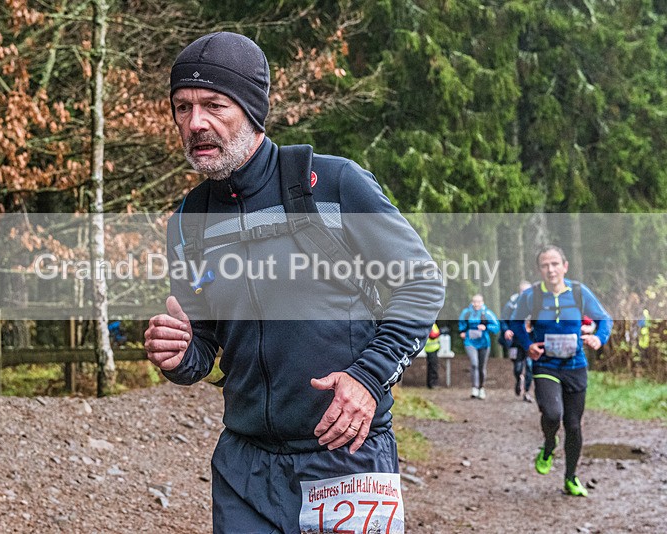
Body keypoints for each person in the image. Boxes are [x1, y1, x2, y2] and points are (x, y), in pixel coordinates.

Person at [144, 32, 445, 533]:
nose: (196, 123)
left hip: (345, 456)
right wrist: (179, 353)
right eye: (182, 107)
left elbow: (421, 284)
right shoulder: (187, 219)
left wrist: (369, 379)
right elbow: (206, 341)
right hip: (245, 469)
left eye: (215, 105)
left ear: (254, 110)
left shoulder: (336, 184)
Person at [511, 245, 611, 497]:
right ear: (539, 269)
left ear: (565, 266)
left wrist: (599, 339)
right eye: (545, 265)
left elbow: (604, 319)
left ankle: (570, 477)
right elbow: (514, 322)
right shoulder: (531, 296)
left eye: (555, 264)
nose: (550, 269)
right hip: (546, 365)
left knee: (574, 426)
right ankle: (548, 444)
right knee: (553, 414)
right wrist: (528, 344)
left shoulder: (578, 292)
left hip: (576, 366)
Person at [458, 294, 500, 399]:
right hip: (470, 342)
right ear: (472, 302)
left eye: (478, 302)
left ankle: (481, 388)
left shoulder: (487, 313)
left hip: (484, 343)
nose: (476, 304)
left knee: (481, 367)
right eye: (474, 301)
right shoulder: (467, 313)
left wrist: (485, 327)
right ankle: (474, 388)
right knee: (474, 364)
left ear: (482, 302)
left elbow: (496, 327)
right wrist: (462, 331)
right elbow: (461, 324)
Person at [500, 281, 533, 401]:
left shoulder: (537, 303)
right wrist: (506, 330)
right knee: (517, 367)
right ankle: (519, 379)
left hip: (531, 341)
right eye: (523, 291)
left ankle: (527, 391)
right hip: (515, 341)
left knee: (530, 366)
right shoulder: (512, 304)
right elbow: (503, 320)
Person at [424, 323, 441, 388]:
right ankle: (432, 384)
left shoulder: (433, 324)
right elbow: (432, 335)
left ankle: (431, 383)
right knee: (433, 367)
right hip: (430, 349)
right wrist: (440, 332)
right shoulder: (429, 323)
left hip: (434, 348)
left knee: (432, 367)